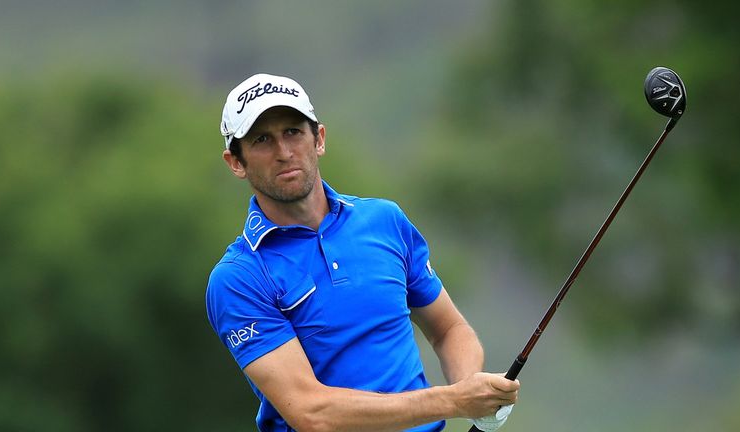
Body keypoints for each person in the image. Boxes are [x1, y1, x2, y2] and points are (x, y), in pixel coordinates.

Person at [205, 73, 519, 432]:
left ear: (318, 139)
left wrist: (470, 388)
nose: (284, 152)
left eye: (293, 131)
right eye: (262, 140)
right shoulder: (238, 278)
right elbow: (312, 413)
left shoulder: (384, 220)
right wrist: (454, 400)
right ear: (236, 162)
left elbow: (448, 329)